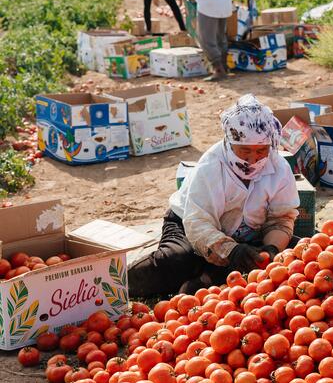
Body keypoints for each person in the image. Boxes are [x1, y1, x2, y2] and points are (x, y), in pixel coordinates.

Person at [128, 94, 300, 298]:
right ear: (229, 142)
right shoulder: (211, 167)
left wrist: (271, 249)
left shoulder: (279, 168)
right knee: (176, 259)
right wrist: (231, 250)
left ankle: (206, 278)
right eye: (245, 150)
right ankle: (120, 280)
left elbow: (280, 219)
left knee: (297, 252)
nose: (253, 159)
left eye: (261, 150)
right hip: (189, 224)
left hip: (247, 234)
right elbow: (197, 223)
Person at [186, 0, 232, 81]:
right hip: (224, 0)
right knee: (220, 36)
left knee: (206, 39)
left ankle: (218, 69)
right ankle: (224, 66)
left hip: (208, 2)